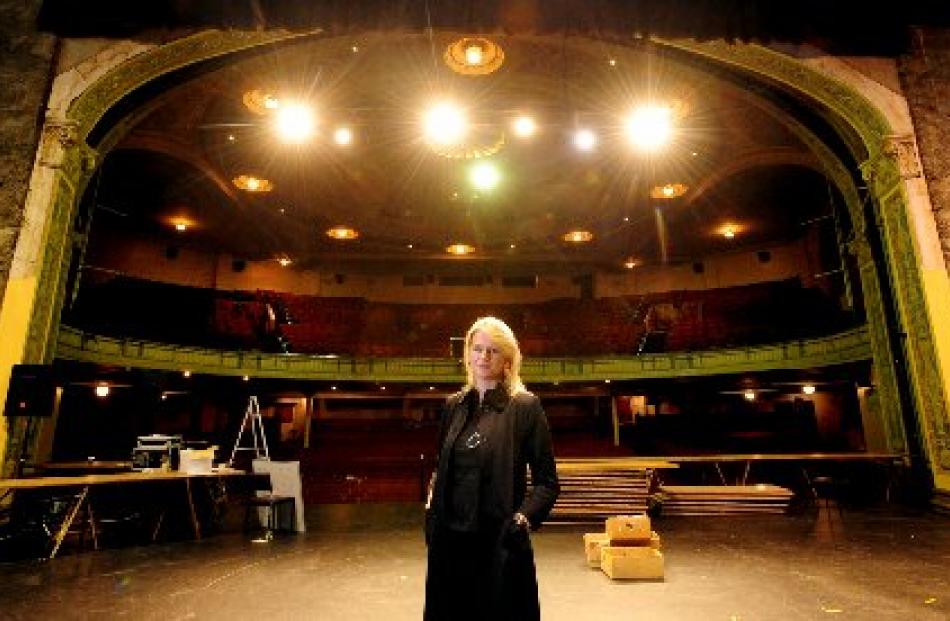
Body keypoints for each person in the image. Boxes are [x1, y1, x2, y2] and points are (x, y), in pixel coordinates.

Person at [424, 316, 560, 621]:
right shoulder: (452, 406)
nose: (484, 357)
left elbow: (547, 483)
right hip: (451, 542)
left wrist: (523, 518)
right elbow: (442, 468)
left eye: (493, 350)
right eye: (478, 348)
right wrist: (431, 509)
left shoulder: (525, 407)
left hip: (498, 543)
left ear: (508, 359)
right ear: (468, 354)